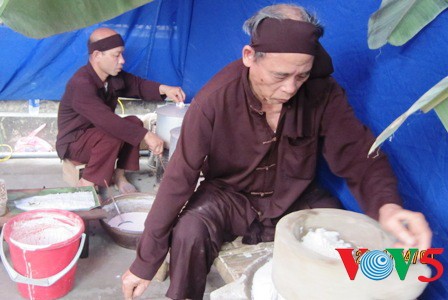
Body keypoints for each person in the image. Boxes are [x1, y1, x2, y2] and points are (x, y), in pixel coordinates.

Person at [122, 4, 432, 299]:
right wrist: (144, 263)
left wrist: (387, 206)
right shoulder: (212, 101)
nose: (290, 88)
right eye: (279, 76)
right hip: (231, 196)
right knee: (190, 229)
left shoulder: (323, 92)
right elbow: (180, 177)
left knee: (343, 231)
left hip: (295, 196)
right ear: (249, 56)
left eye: (302, 75)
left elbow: (358, 154)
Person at [56, 28, 186, 194]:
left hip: (97, 135)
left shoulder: (112, 77)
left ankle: (119, 176)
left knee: (134, 122)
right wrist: (146, 135)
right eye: (116, 55)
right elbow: (106, 120)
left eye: (122, 54)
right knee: (115, 133)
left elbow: (137, 84)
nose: (122, 60)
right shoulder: (81, 84)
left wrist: (165, 89)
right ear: (97, 56)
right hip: (75, 142)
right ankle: (87, 183)